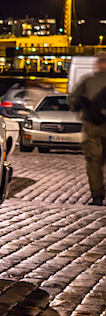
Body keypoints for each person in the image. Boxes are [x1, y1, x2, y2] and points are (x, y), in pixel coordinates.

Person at [68, 51, 106, 205]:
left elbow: (72, 99)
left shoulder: (88, 80)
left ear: (97, 64)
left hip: (92, 126)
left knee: (93, 162)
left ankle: (97, 196)